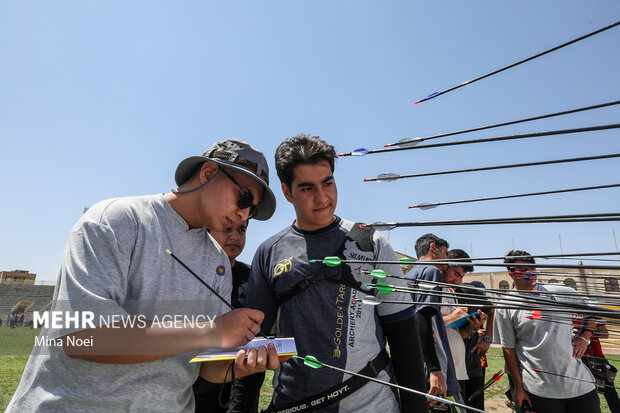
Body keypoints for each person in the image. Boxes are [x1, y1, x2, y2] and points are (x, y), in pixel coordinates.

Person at [7, 139, 283, 412]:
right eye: (243, 197)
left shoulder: (218, 262)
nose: (244, 213)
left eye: (253, 209)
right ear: (209, 173)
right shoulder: (115, 219)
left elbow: (204, 368)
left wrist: (239, 365)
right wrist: (213, 329)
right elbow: (81, 339)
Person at [244, 134, 428, 412]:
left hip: (371, 405)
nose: (322, 197)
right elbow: (253, 345)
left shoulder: (370, 242)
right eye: (307, 188)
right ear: (286, 192)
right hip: (294, 404)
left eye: (328, 183)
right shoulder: (269, 251)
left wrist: (417, 408)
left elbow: (403, 334)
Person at [494, 250, 601, 413]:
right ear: (511, 273)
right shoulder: (505, 305)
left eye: (531, 268)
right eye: (522, 270)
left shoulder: (560, 291)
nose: (529, 273)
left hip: (580, 385)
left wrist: (585, 337)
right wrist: (518, 388)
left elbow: (593, 309)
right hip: (539, 389)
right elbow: (508, 349)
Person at [193, 220, 265, 413]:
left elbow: (255, 348)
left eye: (241, 230)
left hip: (236, 394)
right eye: (226, 229)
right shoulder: (186, 275)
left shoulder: (255, 279)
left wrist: (239, 407)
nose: (235, 237)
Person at [405, 234, 462, 410]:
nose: (446, 259)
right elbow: (422, 317)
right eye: (445, 253)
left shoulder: (411, 274)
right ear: (433, 248)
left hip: (414, 358)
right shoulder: (431, 271)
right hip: (428, 363)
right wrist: (434, 370)